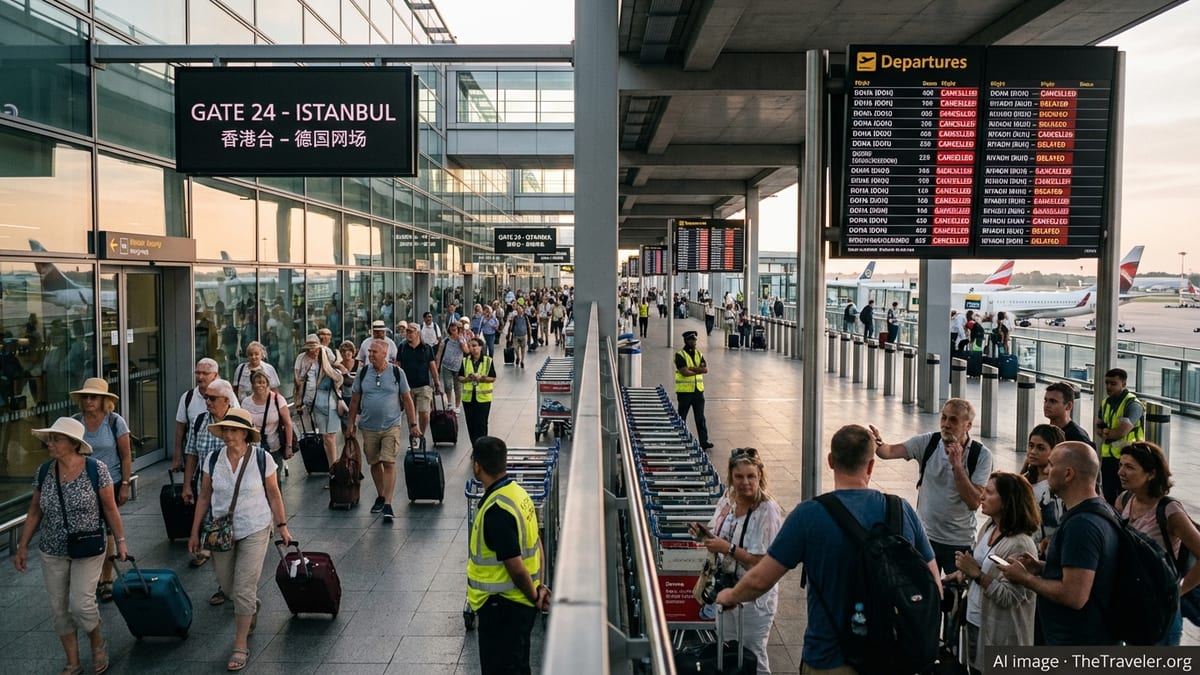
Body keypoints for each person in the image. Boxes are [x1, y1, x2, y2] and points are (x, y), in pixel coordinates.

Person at [714, 424, 937, 673]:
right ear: (871, 465)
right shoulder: (902, 510)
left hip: (830, 659)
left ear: (830, 461)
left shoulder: (809, 516)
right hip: (893, 659)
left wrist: (730, 596)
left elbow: (760, 579)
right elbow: (933, 584)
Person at [14, 417, 129, 675]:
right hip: (52, 549)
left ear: (73, 443)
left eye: (56, 439)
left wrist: (120, 542)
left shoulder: (96, 469)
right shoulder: (44, 471)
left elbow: (110, 508)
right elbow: (34, 512)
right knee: (59, 609)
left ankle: (97, 643)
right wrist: (23, 546)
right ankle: (73, 661)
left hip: (88, 547)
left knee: (82, 605)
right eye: (49, 439)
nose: (49, 444)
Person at [188, 409, 291, 672]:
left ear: (245, 433)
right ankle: (251, 606)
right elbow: (204, 497)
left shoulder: (262, 459)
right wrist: (194, 532)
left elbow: (274, 494)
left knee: (244, 587)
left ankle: (240, 644)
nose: (228, 435)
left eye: (233, 430)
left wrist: (282, 526)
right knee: (229, 588)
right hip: (221, 530)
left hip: (255, 527)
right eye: (225, 430)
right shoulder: (212, 460)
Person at [999, 442, 1119, 646]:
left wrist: (1025, 578)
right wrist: (1042, 567)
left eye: (1051, 465)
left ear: (1068, 474)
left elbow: (1074, 595)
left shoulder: (1082, 525)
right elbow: (1086, 571)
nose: (1045, 470)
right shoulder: (1099, 511)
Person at [687, 448, 782, 674]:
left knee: (752, 657)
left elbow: (763, 564)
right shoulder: (728, 498)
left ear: (760, 476)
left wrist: (728, 549)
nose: (745, 482)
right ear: (731, 476)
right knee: (728, 653)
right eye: (739, 476)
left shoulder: (766, 511)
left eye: (751, 476)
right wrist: (702, 533)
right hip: (725, 591)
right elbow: (717, 532)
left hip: (753, 600)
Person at [871, 398, 993, 573]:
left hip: (959, 541)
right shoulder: (928, 442)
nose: (946, 424)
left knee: (955, 594)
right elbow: (888, 451)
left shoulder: (981, 455)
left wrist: (957, 466)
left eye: (953, 420)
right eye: (944, 418)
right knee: (923, 591)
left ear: (968, 426)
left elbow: (973, 502)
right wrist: (877, 441)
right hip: (925, 537)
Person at [466, 436, 551, 675]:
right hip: (519, 605)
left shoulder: (497, 509)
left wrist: (535, 595)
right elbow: (537, 543)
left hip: (502, 608)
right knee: (518, 666)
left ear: (477, 466)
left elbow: (515, 567)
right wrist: (539, 587)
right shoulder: (519, 494)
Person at [945, 473, 1039, 674]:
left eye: (989, 493)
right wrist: (963, 574)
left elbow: (1010, 596)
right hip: (976, 623)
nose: (982, 496)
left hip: (1001, 635)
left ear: (1007, 501)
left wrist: (977, 574)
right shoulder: (989, 527)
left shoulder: (1020, 544)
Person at [1114, 441, 1200, 645]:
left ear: (1151, 474)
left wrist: (1178, 591)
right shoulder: (1124, 500)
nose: (1121, 472)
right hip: (1134, 603)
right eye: (1120, 465)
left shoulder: (1169, 511)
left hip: (1162, 612)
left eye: (1130, 467)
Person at [70, 378, 132, 605]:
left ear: (104, 400)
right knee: (88, 530)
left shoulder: (115, 422)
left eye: (93, 397)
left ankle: (106, 578)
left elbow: (126, 455)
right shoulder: (76, 423)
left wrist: (125, 484)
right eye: (85, 397)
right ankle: (91, 577)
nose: (88, 401)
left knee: (107, 532)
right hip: (82, 485)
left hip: (110, 482)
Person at [347, 339, 421, 523]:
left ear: (384, 354)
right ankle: (381, 495)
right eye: (369, 351)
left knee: (388, 461)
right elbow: (355, 400)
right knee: (374, 462)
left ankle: (388, 503)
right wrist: (350, 425)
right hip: (368, 426)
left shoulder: (397, 372)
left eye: (374, 352)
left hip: (391, 425)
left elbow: (407, 398)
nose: (370, 355)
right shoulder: (363, 373)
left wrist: (413, 424)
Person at [184, 379, 239, 596]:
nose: (207, 402)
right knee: (215, 540)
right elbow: (192, 455)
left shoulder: (239, 421)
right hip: (207, 491)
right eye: (206, 397)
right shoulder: (199, 422)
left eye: (212, 398)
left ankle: (233, 586)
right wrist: (187, 484)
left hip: (235, 494)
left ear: (226, 400)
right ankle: (225, 583)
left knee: (236, 539)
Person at [1095, 367, 1144, 504]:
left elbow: (1121, 432)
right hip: (1109, 457)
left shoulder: (1132, 404)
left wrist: (1107, 432)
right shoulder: (1106, 403)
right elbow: (1098, 428)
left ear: (1124, 384)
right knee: (1109, 495)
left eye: (1113, 383)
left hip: (1130, 458)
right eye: (1107, 383)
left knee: (1126, 496)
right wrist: (1108, 432)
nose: (1109, 387)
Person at [1021, 424, 1066, 553]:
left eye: (1040, 448)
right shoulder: (1024, 478)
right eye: (1031, 446)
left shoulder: (1057, 487)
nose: (1033, 451)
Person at [172, 358, 223, 473]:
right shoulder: (187, 397)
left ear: (215, 375)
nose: (200, 377)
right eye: (198, 373)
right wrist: (177, 456)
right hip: (195, 455)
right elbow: (180, 429)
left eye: (205, 373)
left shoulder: (225, 395)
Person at [299, 339, 343, 468]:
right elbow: (303, 385)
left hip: (330, 405)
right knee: (326, 438)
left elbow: (339, 380)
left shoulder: (331, 372)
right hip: (317, 405)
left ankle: (334, 468)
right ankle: (331, 468)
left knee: (330, 438)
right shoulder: (310, 369)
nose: (312, 354)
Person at [241, 370, 294, 468]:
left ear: (267, 384)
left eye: (262, 382)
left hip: (274, 447)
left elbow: (288, 423)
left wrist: (289, 446)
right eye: (257, 382)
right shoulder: (246, 403)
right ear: (252, 385)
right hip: (253, 448)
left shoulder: (278, 400)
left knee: (275, 479)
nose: (259, 385)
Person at [396, 322, 439, 435]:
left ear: (418, 333)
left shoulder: (427, 348)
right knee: (411, 414)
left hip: (424, 385)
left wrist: (437, 382)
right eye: (407, 332)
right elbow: (397, 365)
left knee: (424, 413)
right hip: (407, 387)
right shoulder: (402, 347)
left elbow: (432, 366)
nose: (408, 334)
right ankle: (413, 435)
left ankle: (422, 434)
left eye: (411, 331)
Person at [675, 331, 713, 450]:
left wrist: (692, 368)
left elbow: (705, 369)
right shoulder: (680, 355)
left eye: (695, 340)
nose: (694, 342)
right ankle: (680, 439)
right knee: (682, 417)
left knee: (700, 417)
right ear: (686, 341)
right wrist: (698, 370)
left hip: (698, 391)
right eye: (691, 340)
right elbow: (684, 372)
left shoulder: (699, 354)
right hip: (685, 392)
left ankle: (704, 441)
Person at [459, 337, 497, 443]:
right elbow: (460, 377)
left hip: (483, 399)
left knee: (481, 424)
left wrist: (482, 378)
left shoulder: (488, 361)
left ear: (480, 347)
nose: (472, 348)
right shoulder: (465, 361)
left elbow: (493, 377)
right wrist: (467, 378)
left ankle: (481, 446)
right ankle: (474, 446)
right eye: (470, 346)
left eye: (475, 346)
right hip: (468, 399)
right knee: (471, 424)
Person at [435, 320, 467, 410]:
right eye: (451, 327)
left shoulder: (461, 339)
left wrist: (461, 340)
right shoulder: (446, 340)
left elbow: (466, 351)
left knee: (458, 387)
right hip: (446, 366)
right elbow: (439, 354)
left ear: (458, 329)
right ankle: (449, 403)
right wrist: (437, 368)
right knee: (448, 385)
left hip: (458, 367)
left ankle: (457, 406)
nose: (453, 329)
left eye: (455, 328)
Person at [506, 304, 532, 368]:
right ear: (517, 311)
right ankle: (518, 357)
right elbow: (511, 327)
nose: (520, 310)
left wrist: (529, 336)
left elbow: (528, 326)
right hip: (516, 336)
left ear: (523, 310)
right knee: (515, 348)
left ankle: (522, 361)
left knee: (523, 349)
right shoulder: (515, 318)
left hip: (523, 335)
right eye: (518, 309)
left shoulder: (525, 317)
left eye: (521, 309)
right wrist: (509, 336)